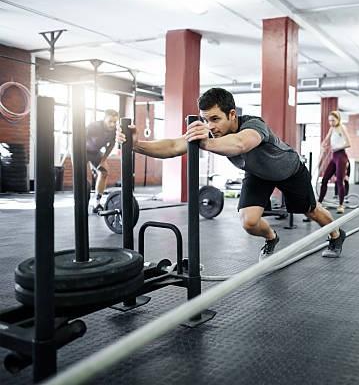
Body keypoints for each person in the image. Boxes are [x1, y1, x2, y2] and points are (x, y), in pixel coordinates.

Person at [116, 88, 346, 261]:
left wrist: (202, 142)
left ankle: (336, 235)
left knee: (312, 211)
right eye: (206, 120)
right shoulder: (212, 134)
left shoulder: (254, 125)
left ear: (232, 114)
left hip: (290, 171)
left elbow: (240, 144)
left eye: (215, 119)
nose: (210, 126)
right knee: (249, 222)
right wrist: (136, 145)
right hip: (257, 174)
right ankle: (271, 238)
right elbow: (172, 146)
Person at [86, 109, 119, 213]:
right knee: (82, 178)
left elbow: (111, 146)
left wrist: (103, 160)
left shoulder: (115, 131)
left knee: (104, 172)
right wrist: (90, 166)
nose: (112, 124)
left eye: (115, 122)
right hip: (81, 151)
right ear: (104, 119)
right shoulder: (94, 126)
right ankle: (82, 205)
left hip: (95, 152)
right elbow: (79, 139)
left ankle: (97, 203)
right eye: (110, 121)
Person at [318, 111, 351, 214]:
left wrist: (336, 147)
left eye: (333, 120)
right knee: (324, 179)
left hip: (341, 156)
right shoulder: (331, 129)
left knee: (339, 181)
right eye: (329, 120)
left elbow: (348, 143)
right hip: (334, 157)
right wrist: (323, 145)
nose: (331, 122)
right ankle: (319, 203)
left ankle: (341, 205)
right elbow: (326, 140)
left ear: (338, 119)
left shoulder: (342, 128)